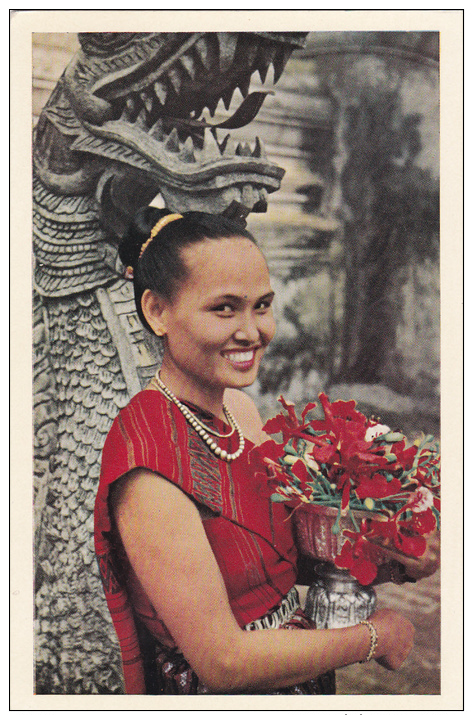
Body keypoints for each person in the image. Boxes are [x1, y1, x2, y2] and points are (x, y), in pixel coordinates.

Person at [94, 207, 440, 695]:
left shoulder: (239, 409)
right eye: (224, 308)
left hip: (294, 670)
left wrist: (392, 561)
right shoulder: (149, 469)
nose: (252, 332)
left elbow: (261, 562)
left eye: (261, 305)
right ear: (157, 311)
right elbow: (223, 661)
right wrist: (373, 637)